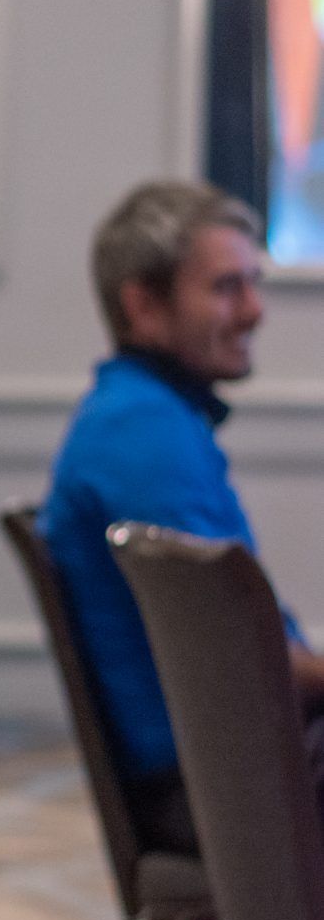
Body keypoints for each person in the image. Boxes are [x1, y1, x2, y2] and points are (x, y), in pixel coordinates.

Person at [43, 178, 324, 848]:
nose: (254, 310)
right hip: (219, 793)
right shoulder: (144, 435)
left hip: (225, 773)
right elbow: (245, 662)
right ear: (141, 304)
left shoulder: (139, 416)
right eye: (227, 287)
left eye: (253, 283)